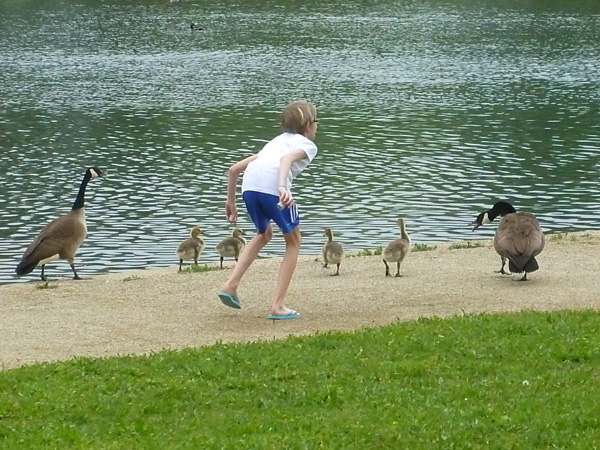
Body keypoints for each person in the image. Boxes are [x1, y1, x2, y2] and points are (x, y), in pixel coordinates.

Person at [217, 100, 319, 320]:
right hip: (273, 189)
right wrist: (282, 187)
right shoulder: (307, 145)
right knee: (294, 242)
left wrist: (231, 201)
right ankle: (278, 305)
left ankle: (230, 285)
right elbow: (287, 159)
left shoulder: (274, 142)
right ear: (309, 125)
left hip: (249, 188)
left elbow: (234, 169)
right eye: (316, 121)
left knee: (264, 234)